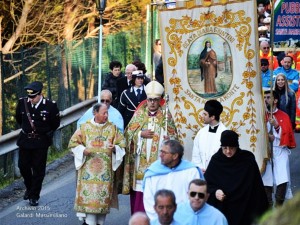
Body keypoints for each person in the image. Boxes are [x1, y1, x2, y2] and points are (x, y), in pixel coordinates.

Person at [122, 80, 178, 215]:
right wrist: (141, 133)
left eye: (155, 100)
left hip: (159, 163)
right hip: (140, 163)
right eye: (150, 99)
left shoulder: (166, 116)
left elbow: (174, 137)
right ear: (146, 100)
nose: (152, 102)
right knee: (140, 192)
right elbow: (128, 133)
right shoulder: (139, 114)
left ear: (160, 100)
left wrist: (169, 139)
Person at [69, 103, 126, 225]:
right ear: (95, 113)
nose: (106, 115)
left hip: (105, 175)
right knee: (90, 207)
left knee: (102, 207)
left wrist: (115, 148)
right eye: (104, 113)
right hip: (87, 175)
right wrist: (83, 150)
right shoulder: (84, 128)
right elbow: (72, 144)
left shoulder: (113, 129)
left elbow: (122, 145)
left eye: (107, 113)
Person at [204, 130, 269, 225]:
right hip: (224, 208)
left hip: (245, 208)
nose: (228, 151)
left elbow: (256, 187)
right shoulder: (216, 160)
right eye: (225, 148)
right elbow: (207, 183)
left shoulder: (247, 159)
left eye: (231, 148)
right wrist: (215, 191)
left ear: (237, 147)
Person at [15, 81, 60, 206]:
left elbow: (55, 124)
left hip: (40, 142)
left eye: (33, 97)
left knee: (38, 170)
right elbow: (19, 118)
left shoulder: (50, 106)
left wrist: (44, 133)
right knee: (23, 166)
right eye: (29, 96)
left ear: (41, 94)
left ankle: (34, 196)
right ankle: (30, 189)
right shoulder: (22, 103)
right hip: (25, 140)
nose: (31, 99)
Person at [143, 140, 203, 220]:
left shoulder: (191, 171)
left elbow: (197, 198)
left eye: (164, 153)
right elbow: (148, 200)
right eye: (161, 151)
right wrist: (159, 220)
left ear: (175, 156)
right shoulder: (152, 173)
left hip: (186, 219)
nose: (160, 155)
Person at [262, 90, 296, 208]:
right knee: (266, 180)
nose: (266, 99)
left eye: (268, 97)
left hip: (279, 150)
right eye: (264, 97)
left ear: (275, 100)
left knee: (282, 178)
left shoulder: (283, 115)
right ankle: (268, 208)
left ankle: (279, 207)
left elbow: (287, 134)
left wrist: (276, 126)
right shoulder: (261, 115)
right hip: (266, 151)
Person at [192, 99, 227, 172]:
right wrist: (200, 169)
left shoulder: (225, 134)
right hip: (202, 174)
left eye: (205, 114)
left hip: (219, 174)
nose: (202, 116)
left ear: (212, 117)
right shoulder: (200, 133)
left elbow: (227, 157)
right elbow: (195, 156)